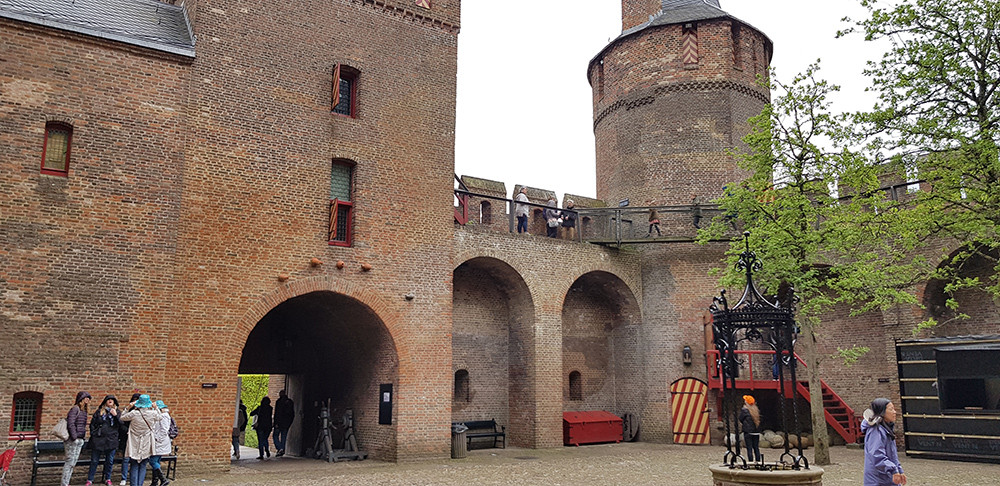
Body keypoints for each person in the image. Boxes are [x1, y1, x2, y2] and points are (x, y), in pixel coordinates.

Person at [863, 398, 906, 486]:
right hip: (878, 479)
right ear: (882, 412)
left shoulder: (886, 429)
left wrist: (899, 470)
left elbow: (892, 455)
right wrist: (893, 470)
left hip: (887, 477)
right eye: (891, 409)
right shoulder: (876, 431)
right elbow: (876, 455)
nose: (894, 412)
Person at [121, 394, 162, 486]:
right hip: (146, 441)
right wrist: (156, 408)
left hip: (134, 441)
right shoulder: (153, 413)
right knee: (143, 464)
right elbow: (160, 417)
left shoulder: (134, 413)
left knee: (134, 464)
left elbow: (122, 417)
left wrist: (128, 407)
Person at [86, 395, 120, 486]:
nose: (110, 401)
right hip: (98, 440)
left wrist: (115, 416)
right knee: (94, 461)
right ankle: (90, 479)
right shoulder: (99, 412)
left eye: (112, 400)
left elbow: (121, 424)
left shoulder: (117, 412)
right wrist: (93, 434)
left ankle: (108, 478)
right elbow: (92, 424)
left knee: (109, 461)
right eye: (108, 399)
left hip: (111, 440)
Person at [62, 391, 91, 486]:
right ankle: (64, 483)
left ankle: (67, 482)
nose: (88, 400)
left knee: (73, 463)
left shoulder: (84, 411)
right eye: (86, 397)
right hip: (73, 440)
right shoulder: (75, 409)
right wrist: (74, 436)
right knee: (69, 462)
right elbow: (71, 423)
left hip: (80, 439)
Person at [118, 393, 141, 486]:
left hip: (137, 438)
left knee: (136, 460)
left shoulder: (141, 412)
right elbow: (122, 422)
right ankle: (124, 478)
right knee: (126, 458)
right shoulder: (129, 412)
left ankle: (135, 478)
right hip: (127, 437)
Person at [149, 400, 172, 486]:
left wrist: (157, 438)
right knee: (156, 461)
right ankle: (154, 482)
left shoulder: (164, 416)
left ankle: (163, 479)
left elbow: (164, 430)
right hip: (158, 442)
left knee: (153, 461)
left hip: (160, 442)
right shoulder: (162, 415)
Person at [738, 395, 762, 463]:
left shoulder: (744, 410)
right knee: (756, 447)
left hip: (748, 432)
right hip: (756, 432)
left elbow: (740, 418)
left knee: (749, 448)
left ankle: (750, 461)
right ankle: (758, 461)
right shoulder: (756, 410)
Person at [272, 390, 295, 457]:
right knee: (283, 436)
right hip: (286, 424)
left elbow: (277, 413)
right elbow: (292, 414)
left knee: (275, 435)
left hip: (279, 423)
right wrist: (289, 423)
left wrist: (275, 423)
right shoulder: (290, 402)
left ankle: (279, 448)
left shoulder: (279, 402)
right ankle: (282, 448)